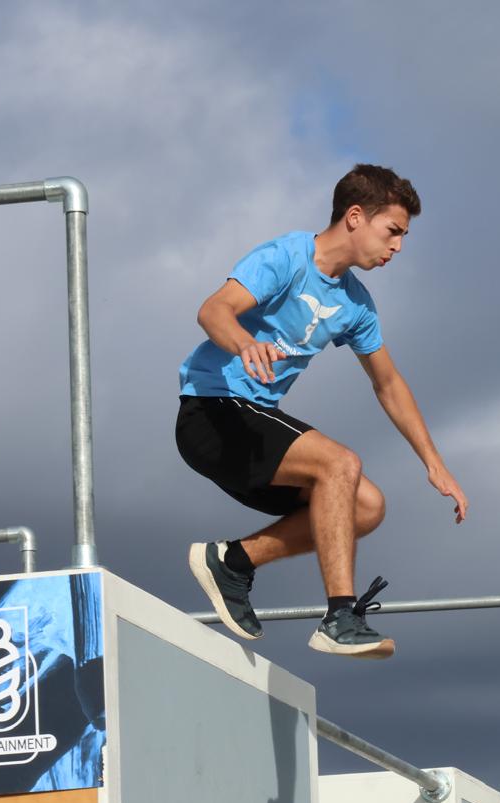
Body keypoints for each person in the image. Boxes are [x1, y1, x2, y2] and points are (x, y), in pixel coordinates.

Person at [175, 164, 467, 659]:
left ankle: (234, 562)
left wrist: (434, 464)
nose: (397, 246)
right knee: (340, 463)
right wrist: (245, 343)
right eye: (392, 231)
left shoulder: (356, 304)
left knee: (367, 506)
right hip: (211, 410)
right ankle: (339, 616)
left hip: (252, 425)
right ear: (355, 217)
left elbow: (389, 383)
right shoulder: (286, 257)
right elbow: (213, 310)